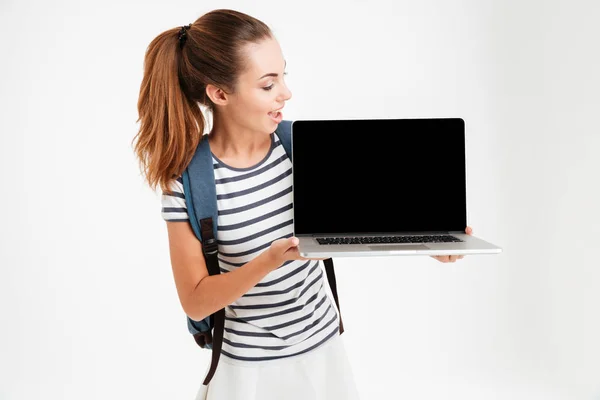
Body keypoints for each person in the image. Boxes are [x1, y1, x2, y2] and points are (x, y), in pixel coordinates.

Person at [132, 8, 473, 399]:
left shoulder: (303, 149)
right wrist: (269, 260)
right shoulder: (189, 182)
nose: (286, 93)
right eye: (267, 84)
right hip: (247, 373)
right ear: (220, 93)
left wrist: (430, 240)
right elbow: (195, 301)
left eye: (284, 77)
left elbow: (372, 216)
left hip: (323, 356)